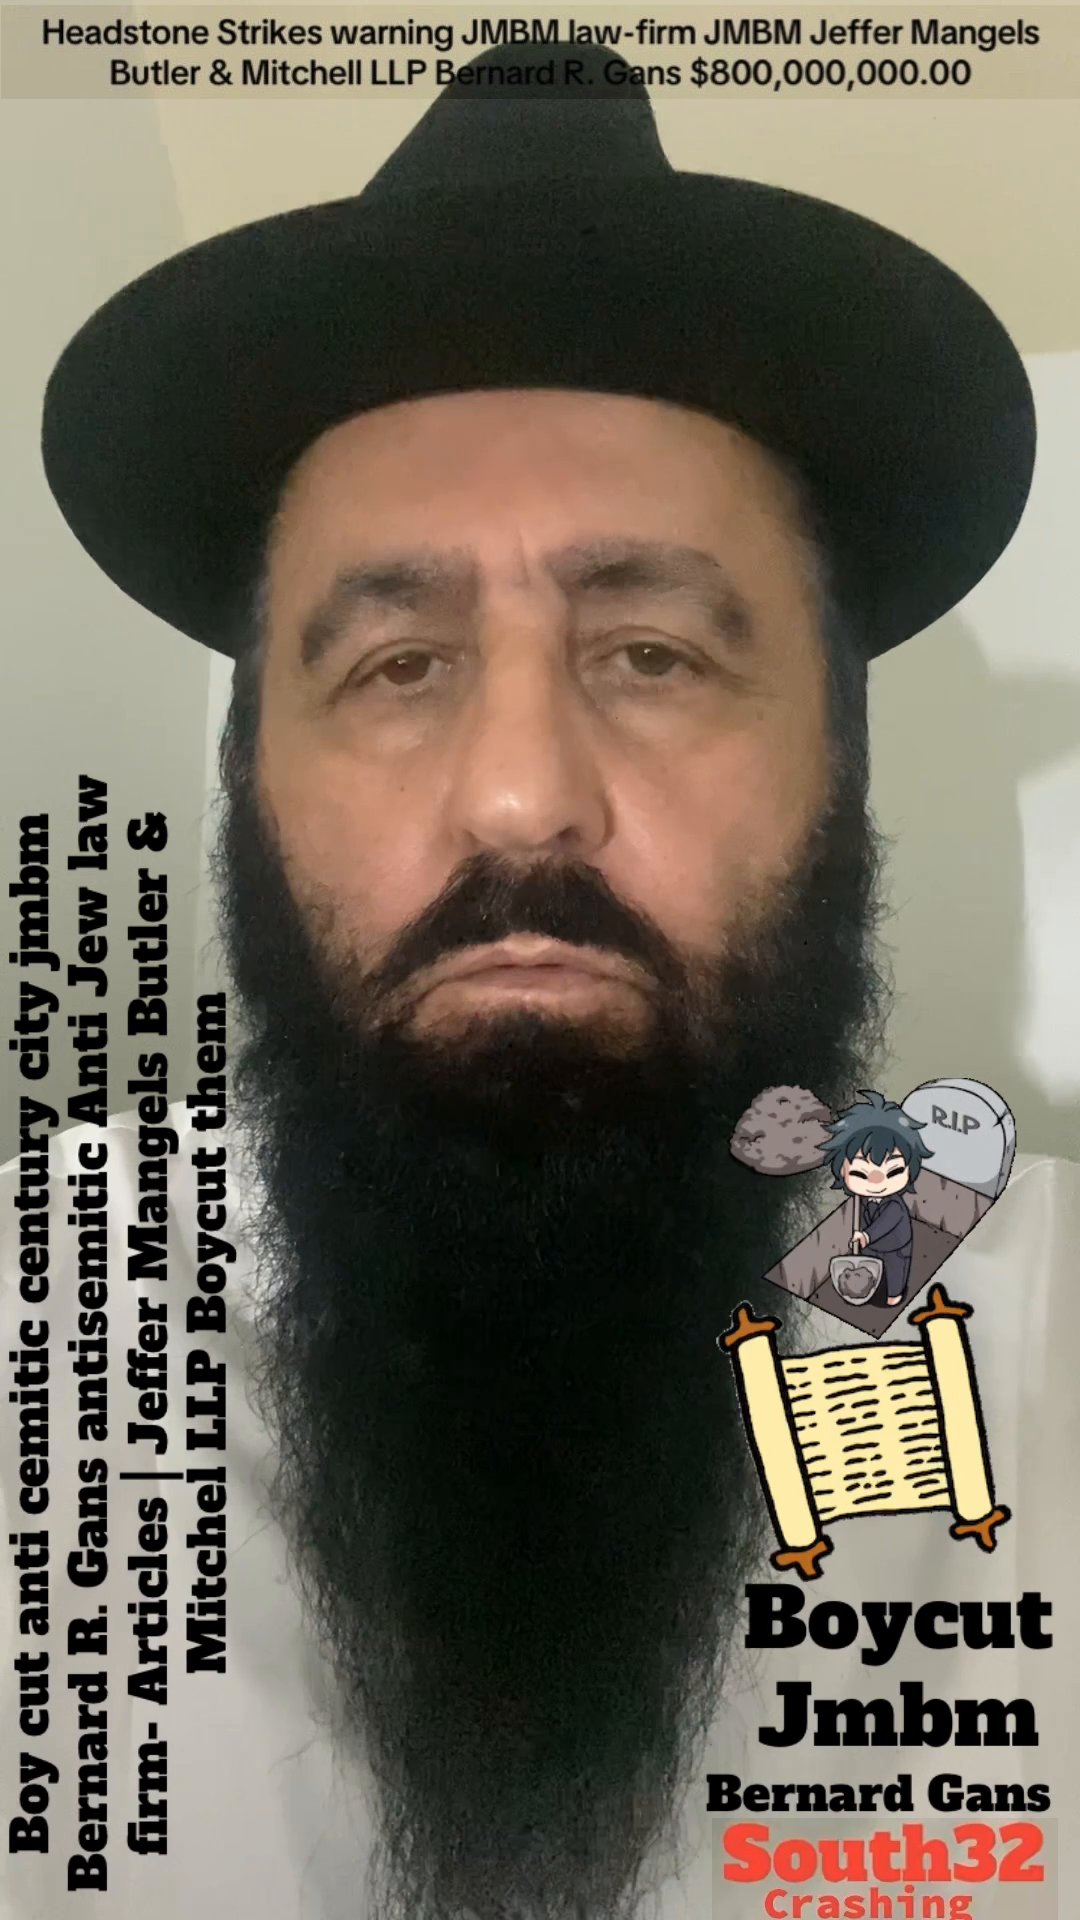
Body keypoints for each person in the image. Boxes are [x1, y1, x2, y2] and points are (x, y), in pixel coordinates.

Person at [4, 44, 1077, 1920]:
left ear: (841, 773)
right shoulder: (50, 1324)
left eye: (653, 652)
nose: (519, 798)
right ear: (252, 784)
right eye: (396, 666)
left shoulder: (1041, 1346)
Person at [823, 1091, 933, 1307]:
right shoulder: (861, 1200)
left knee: (895, 1270)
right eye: (860, 1174)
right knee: (870, 1266)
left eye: (893, 1172)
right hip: (870, 1245)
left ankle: (894, 1294)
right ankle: (869, 1287)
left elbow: (886, 1222)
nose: (876, 1182)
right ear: (843, 1172)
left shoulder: (895, 1206)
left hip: (895, 1245)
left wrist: (866, 1235)